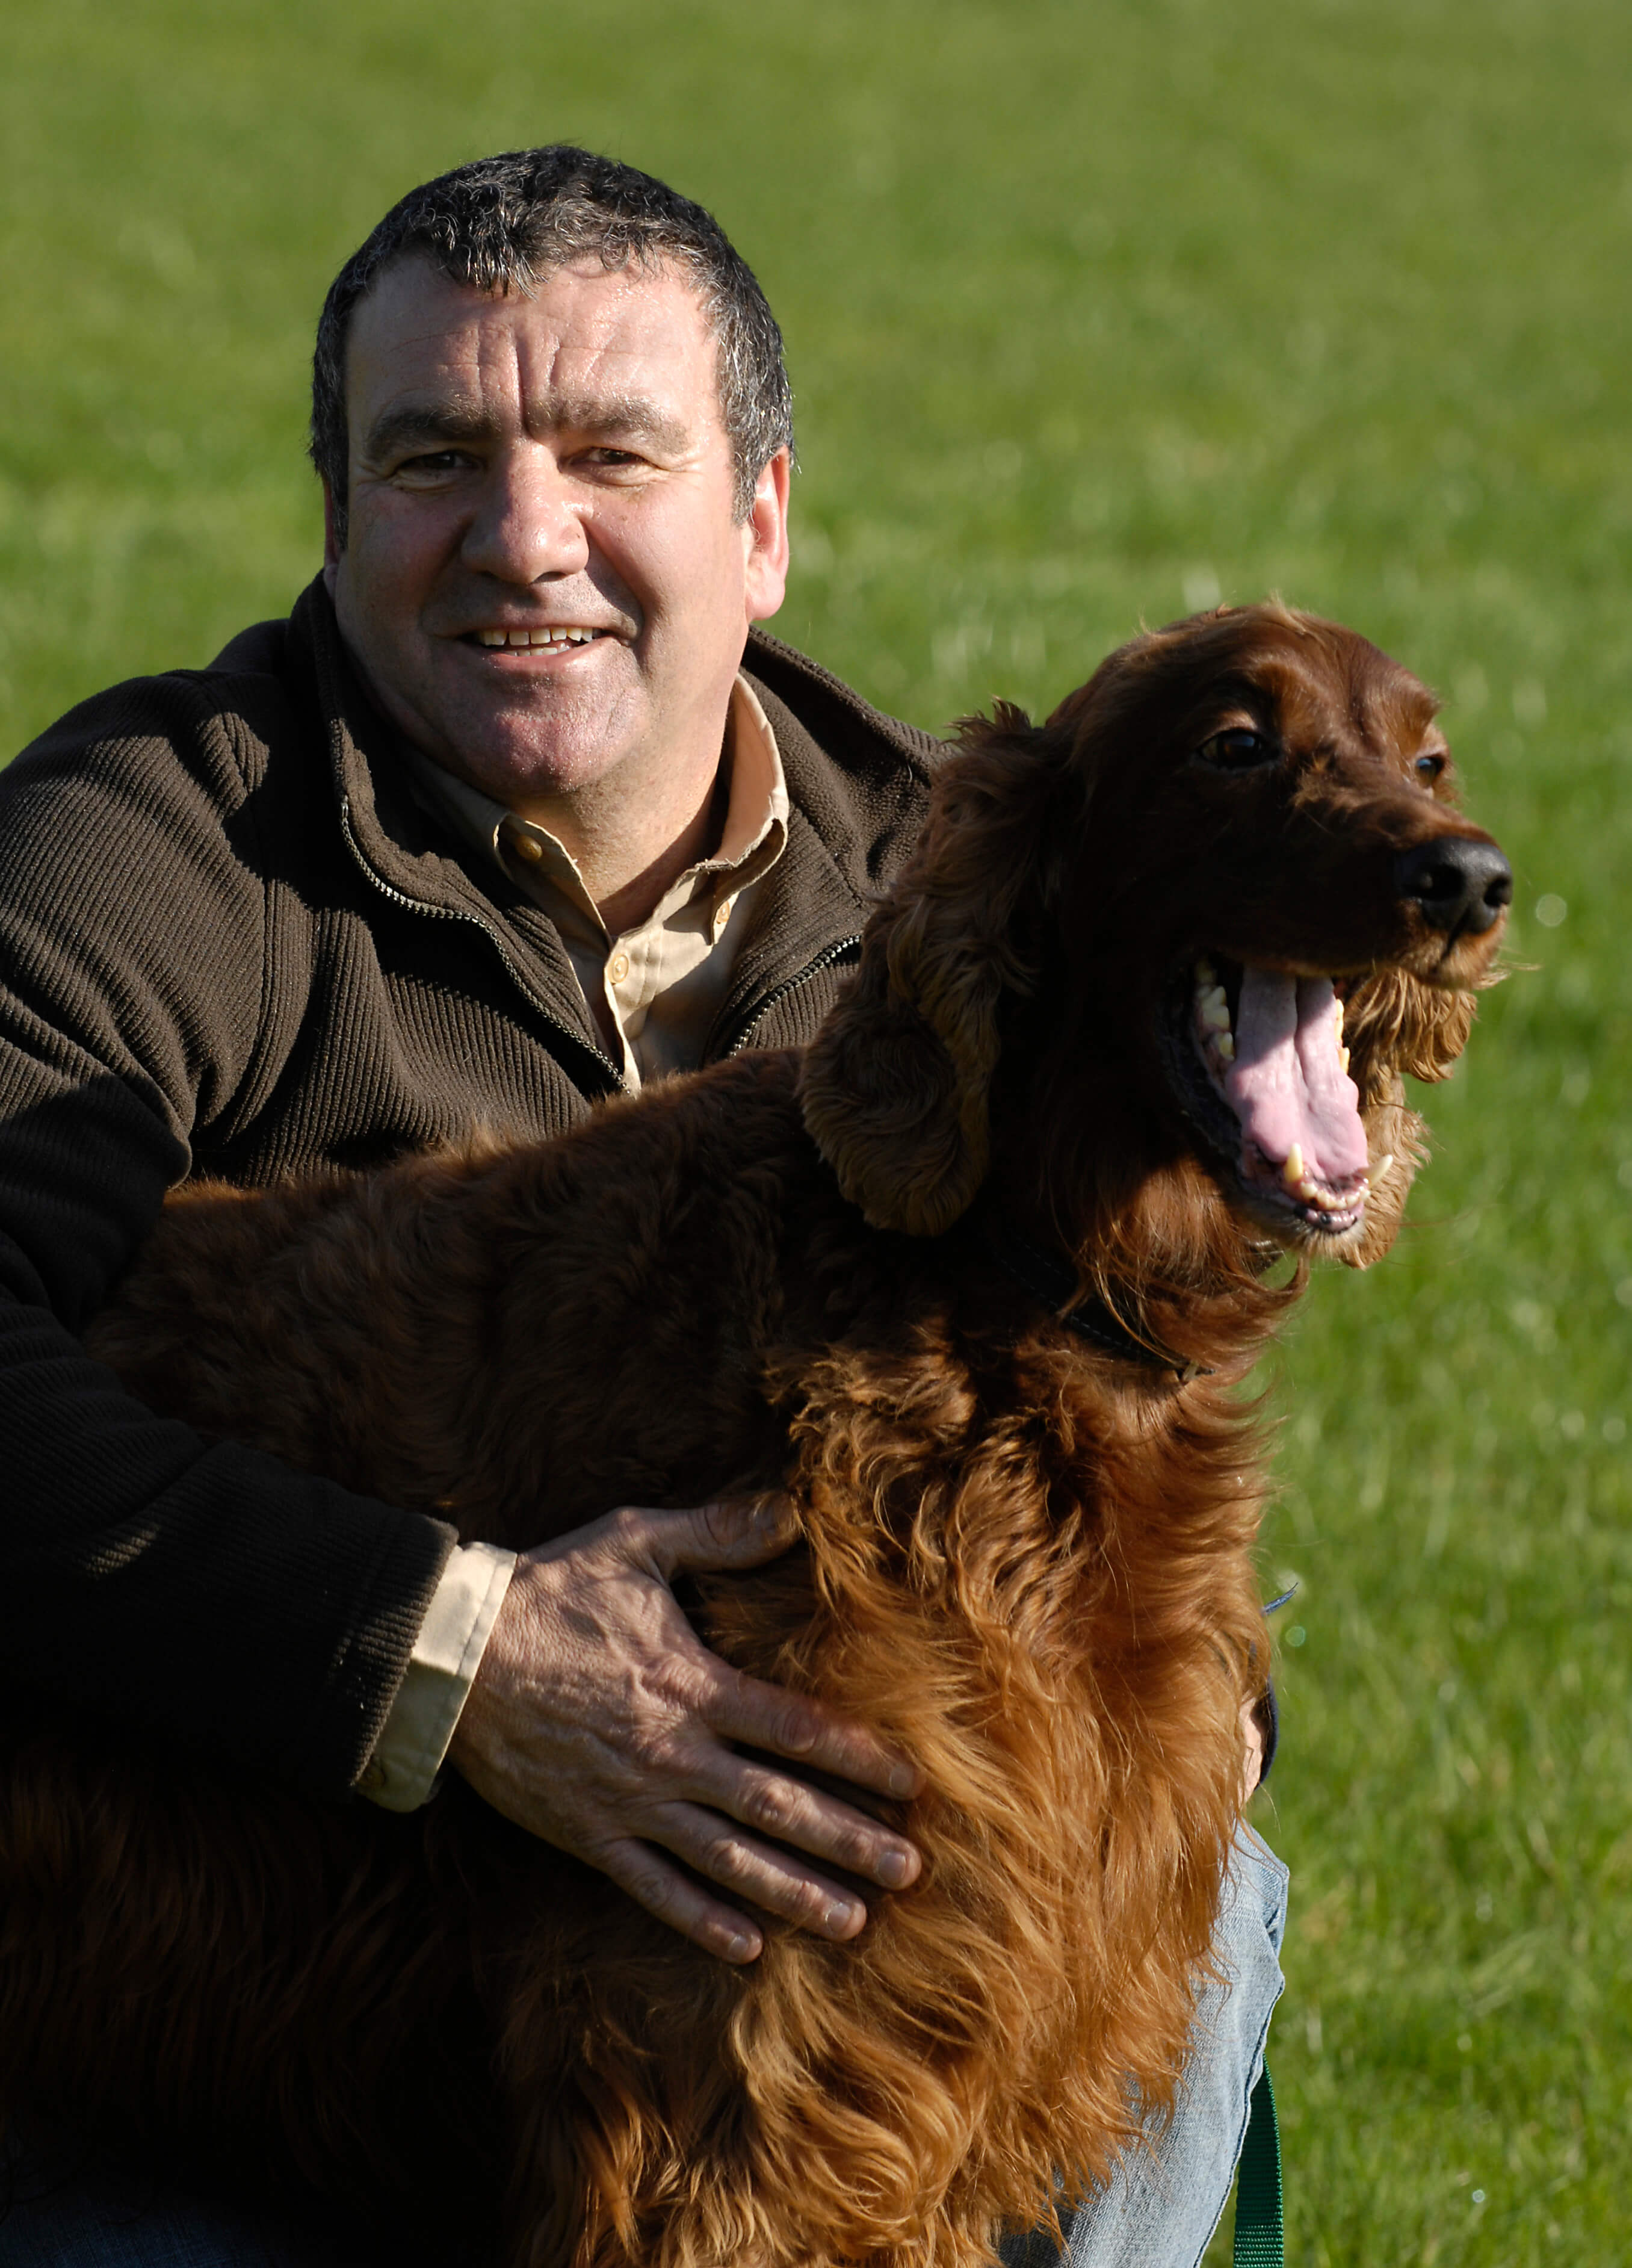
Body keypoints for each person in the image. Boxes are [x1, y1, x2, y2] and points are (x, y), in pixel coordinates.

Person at [0, 147, 1285, 2267]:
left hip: (816, 1943)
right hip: (238, 1942)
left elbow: (1143, 1377)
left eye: (612, 454)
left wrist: (1182, 1712)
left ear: (761, 519)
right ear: (334, 516)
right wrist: (454, 1653)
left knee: (1202, 1876)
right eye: (435, 460)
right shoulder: (147, 858)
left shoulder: (956, 885)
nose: (527, 537)